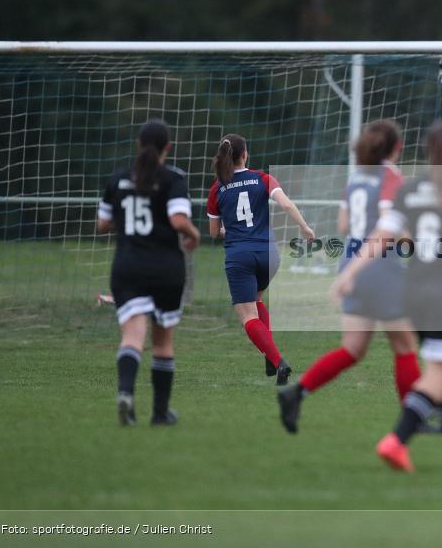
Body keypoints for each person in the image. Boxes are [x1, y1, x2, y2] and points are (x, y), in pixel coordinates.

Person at [329, 121, 442, 472]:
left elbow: (380, 236)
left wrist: (349, 273)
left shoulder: (409, 189)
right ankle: (397, 439)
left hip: (412, 292)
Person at [276, 120, 421, 434]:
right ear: (397, 148)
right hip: (380, 266)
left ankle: (296, 393)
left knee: (354, 348)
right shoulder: (390, 177)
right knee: (405, 344)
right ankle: (412, 421)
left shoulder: (356, 179)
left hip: (350, 261)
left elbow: (344, 225)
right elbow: (387, 226)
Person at [98, 119, 201, 426]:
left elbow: (102, 224)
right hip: (166, 268)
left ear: (139, 145)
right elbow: (178, 219)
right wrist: (193, 234)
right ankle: (160, 413)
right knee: (162, 341)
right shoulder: (173, 178)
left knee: (131, 336)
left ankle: (126, 393)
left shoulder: (118, 179)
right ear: (167, 148)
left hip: (127, 266)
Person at [206, 134, 314, 385]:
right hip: (270, 255)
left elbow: (214, 233)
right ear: (245, 155)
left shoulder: (217, 187)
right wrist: (305, 229)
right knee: (257, 300)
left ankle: (278, 361)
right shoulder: (262, 178)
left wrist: (228, 231)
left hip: (240, 255)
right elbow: (286, 205)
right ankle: (271, 356)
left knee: (247, 317)